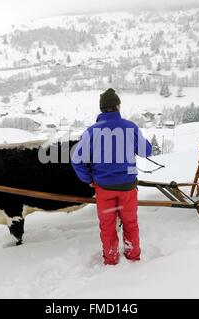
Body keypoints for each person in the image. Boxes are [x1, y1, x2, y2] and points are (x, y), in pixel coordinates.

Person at [71, 88, 152, 265]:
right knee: (130, 223)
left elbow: (76, 160)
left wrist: (89, 179)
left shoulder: (91, 132)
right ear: (118, 106)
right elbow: (146, 151)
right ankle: (133, 257)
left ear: (101, 109)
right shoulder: (130, 127)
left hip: (104, 188)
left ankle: (111, 259)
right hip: (128, 187)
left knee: (107, 226)